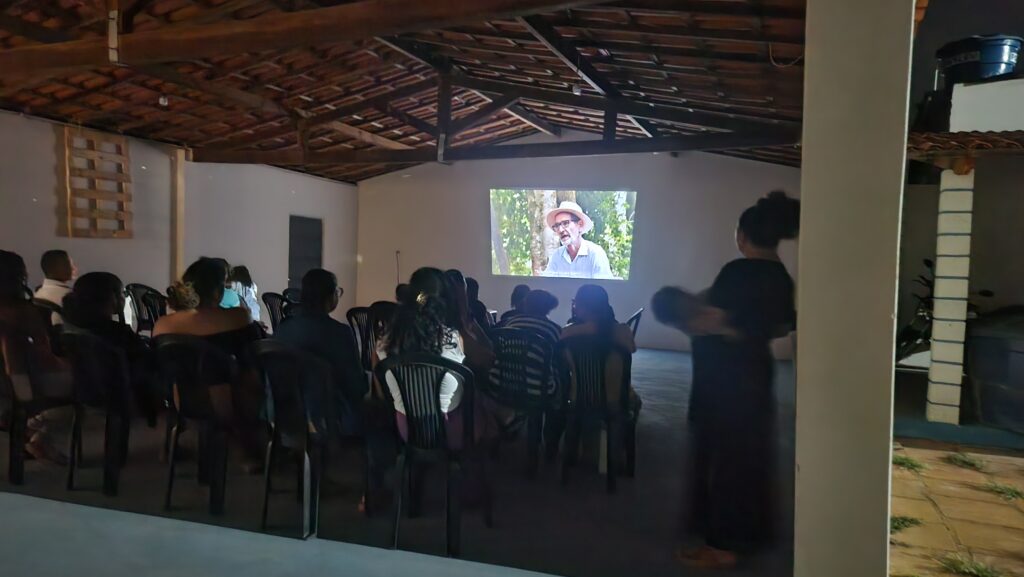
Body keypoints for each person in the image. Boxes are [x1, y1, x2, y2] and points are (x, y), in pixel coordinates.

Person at [671, 190, 799, 569]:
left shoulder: (738, 271)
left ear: (742, 235)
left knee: (725, 462)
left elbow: (715, 320)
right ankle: (745, 536)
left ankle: (722, 546)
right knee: (748, 457)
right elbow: (775, 324)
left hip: (724, 383)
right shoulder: (780, 278)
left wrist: (704, 319)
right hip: (754, 375)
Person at [154, 258, 265, 465]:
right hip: (232, 401)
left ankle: (170, 442)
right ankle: (247, 446)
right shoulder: (238, 317)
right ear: (217, 291)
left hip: (182, 400)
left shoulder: (163, 325)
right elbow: (253, 358)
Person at [378, 267, 472, 447]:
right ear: (445, 300)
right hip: (447, 433)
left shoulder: (386, 340)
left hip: (406, 430)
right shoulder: (452, 339)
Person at [0, 250, 72, 464]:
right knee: (89, 388)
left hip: (5, 386)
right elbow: (42, 356)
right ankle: (38, 431)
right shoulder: (23, 312)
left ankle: (33, 432)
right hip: (21, 383)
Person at [275, 269, 367, 436]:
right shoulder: (340, 333)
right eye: (337, 291)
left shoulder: (283, 329)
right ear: (330, 296)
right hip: (328, 419)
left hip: (284, 414)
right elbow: (356, 387)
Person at [62, 272, 160, 420]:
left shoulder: (71, 328)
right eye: (121, 294)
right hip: (121, 396)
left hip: (83, 391)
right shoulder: (117, 333)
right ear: (111, 298)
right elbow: (148, 363)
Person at [542, 201, 613, 279]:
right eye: (557, 225)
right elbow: (547, 285)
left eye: (565, 223)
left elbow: (603, 288)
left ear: (580, 224)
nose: (560, 230)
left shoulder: (595, 254)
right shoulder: (557, 256)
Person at [34, 249, 77, 324]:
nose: (74, 268)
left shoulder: (38, 292)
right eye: (70, 264)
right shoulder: (69, 296)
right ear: (57, 267)